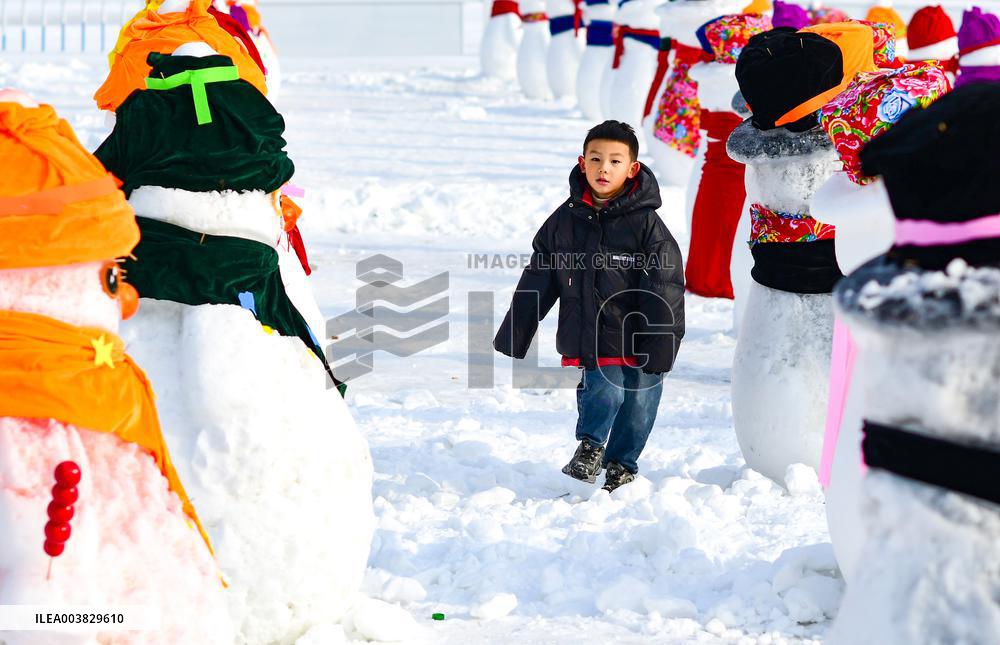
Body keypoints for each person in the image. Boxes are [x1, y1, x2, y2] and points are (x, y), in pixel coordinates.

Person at [494, 120, 685, 492]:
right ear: (582, 163)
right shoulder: (564, 221)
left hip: (641, 333)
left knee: (639, 405)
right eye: (596, 159)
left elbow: (667, 286)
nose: (604, 168)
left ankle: (622, 464)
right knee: (606, 391)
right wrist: (517, 331)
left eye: (615, 161)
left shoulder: (647, 226)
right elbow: (539, 276)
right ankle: (591, 446)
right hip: (593, 330)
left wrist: (662, 340)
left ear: (632, 169)